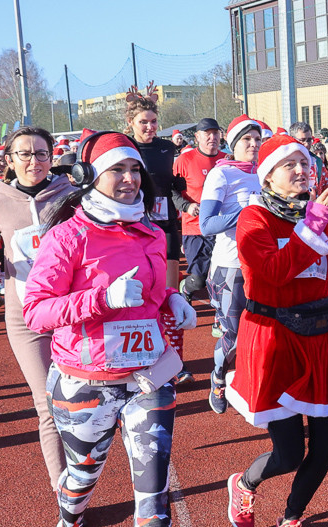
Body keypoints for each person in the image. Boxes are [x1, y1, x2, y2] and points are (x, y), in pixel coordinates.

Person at [22, 131, 196, 527]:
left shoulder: (151, 232)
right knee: (82, 477)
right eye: (118, 169)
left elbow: (153, 291)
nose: (129, 179)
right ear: (88, 177)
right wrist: (102, 298)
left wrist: (171, 302)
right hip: (85, 381)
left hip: (147, 377)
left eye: (136, 170)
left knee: (154, 488)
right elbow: (37, 311)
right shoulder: (67, 236)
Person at [224, 134, 328, 527]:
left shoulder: (321, 213)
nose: (301, 171)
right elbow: (272, 274)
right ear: (269, 175)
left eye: (305, 163)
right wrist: (312, 224)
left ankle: (291, 518)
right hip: (274, 338)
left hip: (321, 334)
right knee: (290, 453)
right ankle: (246, 481)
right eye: (289, 164)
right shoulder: (253, 219)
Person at [0, 126, 75, 490]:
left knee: (85, 401)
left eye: (42, 153)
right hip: (25, 319)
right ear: (9, 161)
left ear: (52, 157)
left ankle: (86, 477)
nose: (34, 161)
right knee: (47, 404)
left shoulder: (72, 196)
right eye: (25, 154)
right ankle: (63, 493)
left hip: (72, 314)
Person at [200, 115, 263, 413]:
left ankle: (257, 385)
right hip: (231, 267)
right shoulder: (221, 175)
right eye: (247, 140)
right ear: (234, 144)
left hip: (264, 264)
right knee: (234, 334)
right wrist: (247, 213)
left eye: (257, 139)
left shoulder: (266, 173)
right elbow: (207, 224)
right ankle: (218, 377)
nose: (254, 144)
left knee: (266, 330)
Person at [124, 87, 188, 381]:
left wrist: (178, 185)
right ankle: (142, 358)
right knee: (141, 293)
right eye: (143, 122)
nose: (149, 127)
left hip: (167, 225)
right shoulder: (124, 147)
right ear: (131, 124)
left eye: (153, 121)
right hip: (135, 227)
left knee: (170, 293)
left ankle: (175, 363)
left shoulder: (167, 148)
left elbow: (170, 184)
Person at [173, 117, 226, 303]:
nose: (212, 137)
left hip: (221, 228)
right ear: (197, 137)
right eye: (207, 133)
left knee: (221, 277)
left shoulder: (226, 160)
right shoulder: (184, 160)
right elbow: (171, 192)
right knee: (199, 280)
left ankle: (220, 320)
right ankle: (186, 288)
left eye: (215, 133)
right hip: (195, 229)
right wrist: (187, 206)